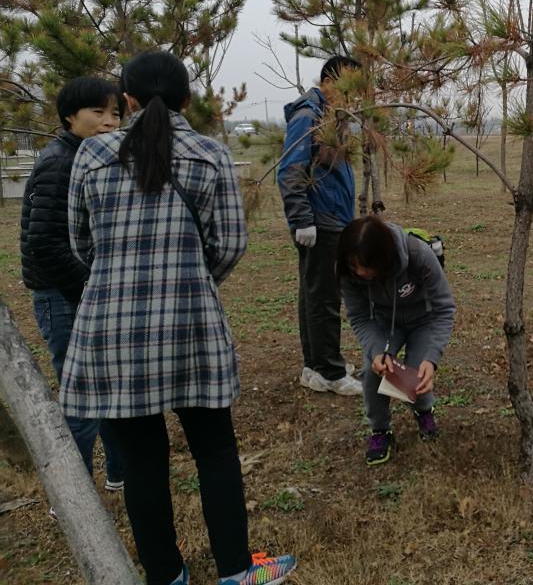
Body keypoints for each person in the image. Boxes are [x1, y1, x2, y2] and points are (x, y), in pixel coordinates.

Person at [63, 51, 295, 585]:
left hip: (112, 328)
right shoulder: (210, 155)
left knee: (142, 463)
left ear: (127, 99)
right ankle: (237, 572)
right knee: (215, 452)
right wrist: (191, 278)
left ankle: (167, 575)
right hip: (191, 323)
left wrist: (119, 275)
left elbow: (80, 242)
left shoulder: (92, 153)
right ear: (187, 100)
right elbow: (230, 244)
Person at [19, 76, 125, 492]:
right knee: (81, 395)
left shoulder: (87, 157)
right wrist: (89, 290)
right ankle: (77, 494)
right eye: (98, 112)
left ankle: (119, 472)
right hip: (62, 295)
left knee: (108, 386)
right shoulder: (61, 162)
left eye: (115, 113)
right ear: (69, 117)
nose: (109, 122)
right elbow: (43, 243)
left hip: (82, 290)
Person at [337, 216, 455, 466]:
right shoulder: (346, 271)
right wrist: (376, 350)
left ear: (384, 259)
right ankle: (380, 430)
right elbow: (359, 316)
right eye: (354, 265)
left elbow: (444, 309)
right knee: (373, 372)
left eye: (366, 266)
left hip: (423, 321)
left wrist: (432, 358)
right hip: (384, 322)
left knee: (416, 373)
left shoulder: (418, 255)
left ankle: (424, 412)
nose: (360, 272)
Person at [277, 55, 360, 396]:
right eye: (349, 88)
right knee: (324, 296)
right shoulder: (309, 115)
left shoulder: (329, 117)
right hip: (320, 221)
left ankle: (315, 365)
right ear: (329, 82)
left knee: (313, 293)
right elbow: (289, 169)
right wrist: (302, 219)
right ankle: (331, 371)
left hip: (330, 218)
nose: (354, 97)